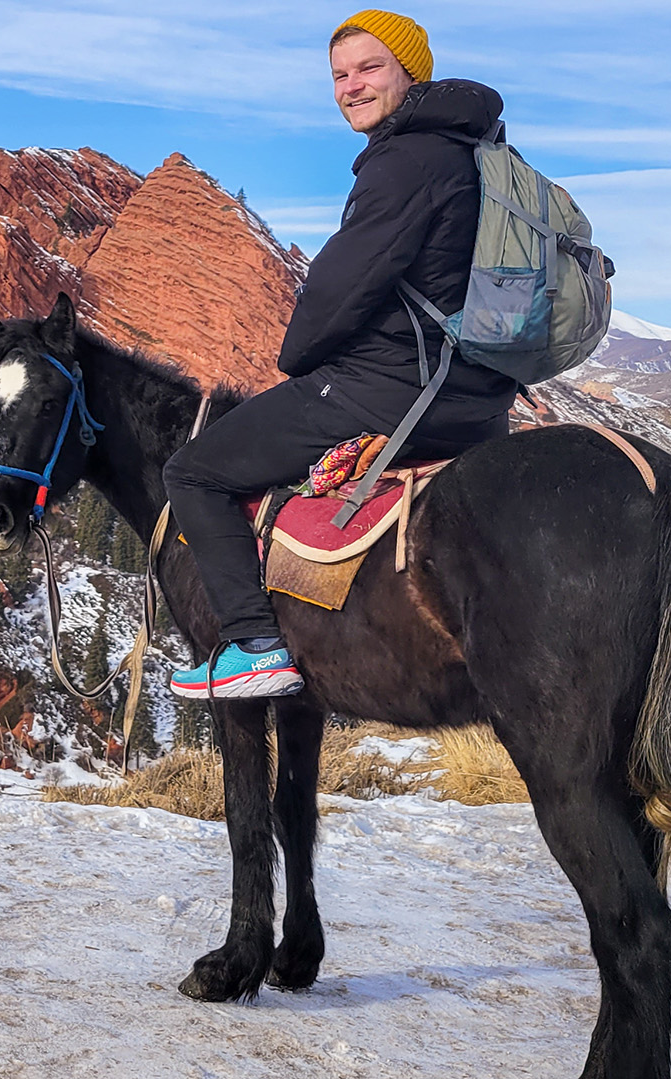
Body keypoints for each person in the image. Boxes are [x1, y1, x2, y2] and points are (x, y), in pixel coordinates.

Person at [165, 10, 519, 699]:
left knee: (194, 473)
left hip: (393, 388)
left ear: (411, 73)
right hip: (479, 402)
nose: (351, 86)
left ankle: (255, 644)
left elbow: (339, 286)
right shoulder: (478, 150)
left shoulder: (405, 158)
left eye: (370, 68)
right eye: (339, 75)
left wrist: (300, 363)